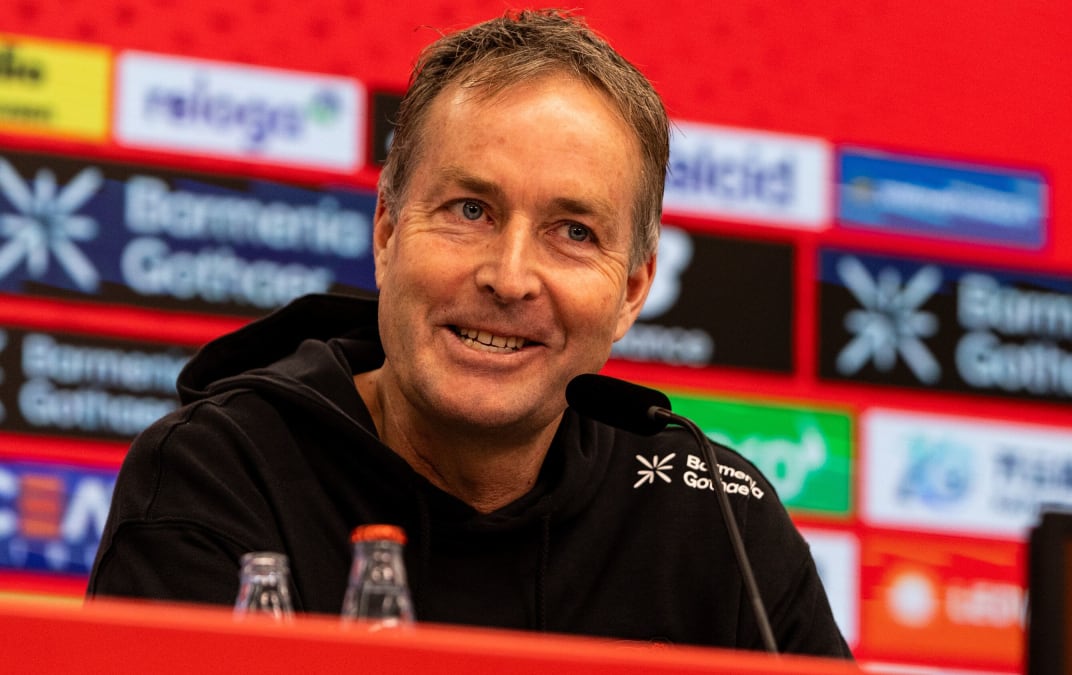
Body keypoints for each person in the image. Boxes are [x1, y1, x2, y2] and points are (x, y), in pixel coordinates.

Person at [88, 9, 852, 658]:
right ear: (387, 231)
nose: (510, 276)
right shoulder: (219, 474)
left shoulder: (718, 520)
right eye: (470, 210)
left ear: (631, 291)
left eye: (573, 231)